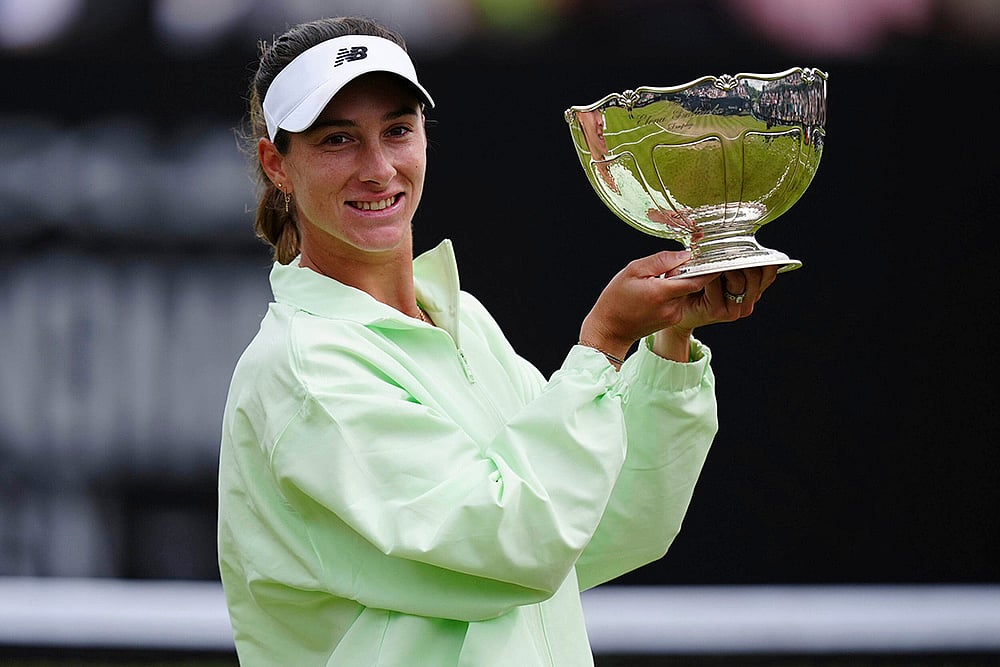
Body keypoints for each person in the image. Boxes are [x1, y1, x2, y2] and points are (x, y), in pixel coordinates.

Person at [217, 15, 777, 667]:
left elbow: (602, 522)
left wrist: (667, 345)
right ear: (276, 166)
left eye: (397, 130)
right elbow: (517, 542)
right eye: (338, 139)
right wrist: (602, 345)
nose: (378, 168)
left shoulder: (464, 323)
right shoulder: (301, 368)